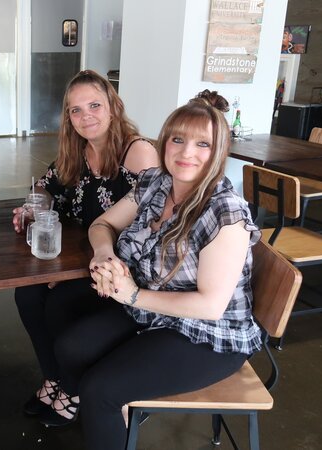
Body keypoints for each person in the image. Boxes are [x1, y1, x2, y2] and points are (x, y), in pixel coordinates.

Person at [54, 90, 262, 450]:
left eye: (203, 144)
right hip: (152, 312)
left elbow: (210, 307)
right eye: (178, 139)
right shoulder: (156, 183)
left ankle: (106, 408)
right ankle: (112, 419)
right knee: (71, 347)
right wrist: (105, 256)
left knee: (100, 389)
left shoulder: (224, 211)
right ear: (165, 142)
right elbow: (102, 225)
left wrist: (132, 294)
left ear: (219, 153)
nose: (186, 152)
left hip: (210, 335)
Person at [11, 69, 159, 427]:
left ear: (113, 107)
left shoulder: (136, 152)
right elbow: (45, 187)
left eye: (94, 105)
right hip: (83, 257)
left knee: (61, 301)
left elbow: (149, 227)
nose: (85, 116)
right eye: (75, 110)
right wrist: (33, 205)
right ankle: (55, 378)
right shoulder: (76, 152)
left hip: (124, 269)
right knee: (27, 294)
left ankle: (73, 390)